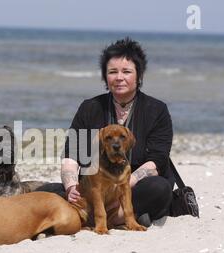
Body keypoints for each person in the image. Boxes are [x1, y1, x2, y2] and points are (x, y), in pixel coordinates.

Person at [39, 37, 175, 227]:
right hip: (95, 188)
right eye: (112, 72)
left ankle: (115, 215)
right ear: (105, 77)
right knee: (45, 191)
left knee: (159, 188)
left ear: (139, 75)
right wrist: (71, 187)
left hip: (133, 187)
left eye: (126, 71)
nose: (119, 77)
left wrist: (121, 185)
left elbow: (157, 161)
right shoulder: (90, 107)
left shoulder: (156, 109)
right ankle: (106, 215)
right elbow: (71, 155)